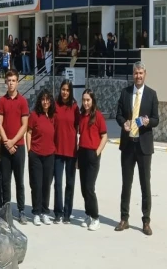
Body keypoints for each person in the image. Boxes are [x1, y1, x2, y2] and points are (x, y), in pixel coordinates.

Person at [115, 61, 159, 236]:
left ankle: (146, 221)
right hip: (128, 145)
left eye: (141, 73)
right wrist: (123, 122)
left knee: (145, 184)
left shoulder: (151, 95)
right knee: (126, 184)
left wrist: (148, 122)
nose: (138, 76)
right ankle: (124, 219)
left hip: (144, 146)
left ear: (145, 74)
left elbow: (156, 119)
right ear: (133, 75)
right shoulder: (125, 93)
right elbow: (118, 114)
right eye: (136, 73)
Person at [0, 69, 29, 225]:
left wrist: (13, 142)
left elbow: (24, 126)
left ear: (17, 82)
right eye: (8, 80)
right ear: (6, 82)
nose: (11, 83)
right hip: (5, 147)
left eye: (13, 80)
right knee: (5, 181)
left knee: (19, 181)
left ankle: (22, 210)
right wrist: (6, 142)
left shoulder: (22, 101)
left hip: (19, 147)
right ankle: (6, 210)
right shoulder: (1, 101)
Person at [78, 89, 108, 232]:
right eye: (84, 100)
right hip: (82, 153)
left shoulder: (98, 116)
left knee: (90, 187)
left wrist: (97, 152)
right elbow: (81, 136)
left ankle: (96, 217)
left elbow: (104, 136)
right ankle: (88, 214)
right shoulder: (81, 115)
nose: (86, 103)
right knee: (84, 188)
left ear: (92, 101)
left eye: (88, 100)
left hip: (93, 154)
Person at [26, 89, 56, 226]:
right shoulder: (34, 115)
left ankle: (45, 212)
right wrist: (29, 150)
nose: (45, 102)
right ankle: (36, 212)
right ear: (40, 101)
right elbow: (29, 132)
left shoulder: (52, 116)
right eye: (43, 99)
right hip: (36, 154)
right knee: (36, 184)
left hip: (50, 154)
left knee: (46, 184)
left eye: (47, 99)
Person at [53, 80, 79, 224]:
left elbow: (79, 128)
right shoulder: (55, 105)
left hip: (71, 152)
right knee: (57, 183)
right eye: (63, 89)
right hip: (57, 151)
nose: (65, 92)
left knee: (69, 184)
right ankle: (58, 212)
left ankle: (67, 214)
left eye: (68, 90)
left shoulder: (75, 107)